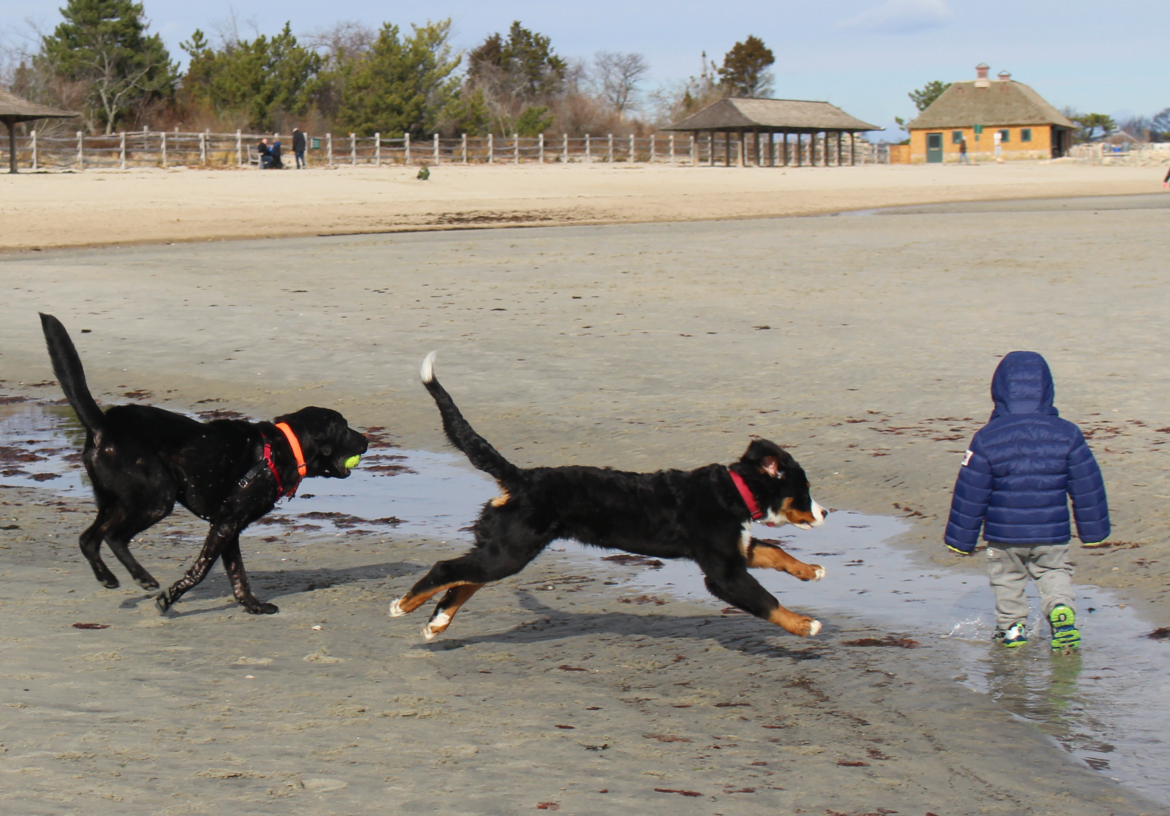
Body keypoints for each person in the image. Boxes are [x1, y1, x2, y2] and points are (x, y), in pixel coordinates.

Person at [944, 351, 1110, 653]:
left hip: (1004, 534)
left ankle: (1012, 628)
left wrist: (961, 540)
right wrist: (1094, 533)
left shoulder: (986, 437)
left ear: (998, 390)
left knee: (1007, 578)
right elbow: (1088, 485)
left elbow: (971, 491)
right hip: (1052, 533)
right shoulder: (1068, 434)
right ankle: (1060, 610)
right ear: (1047, 389)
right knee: (1054, 573)